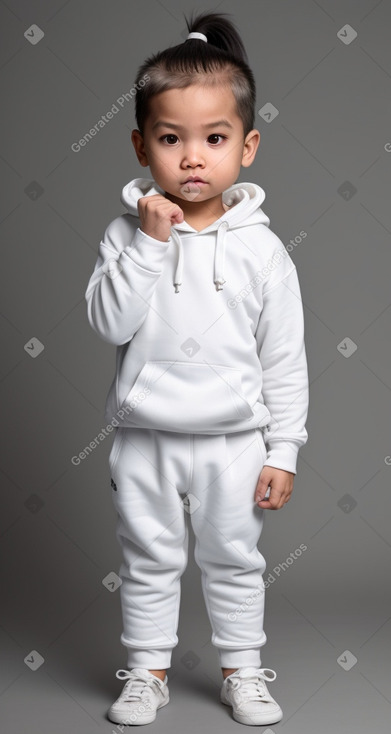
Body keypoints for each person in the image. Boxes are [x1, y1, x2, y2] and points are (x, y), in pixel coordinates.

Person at [85, 9, 309, 727]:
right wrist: (149, 248)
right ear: (140, 144)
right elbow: (107, 324)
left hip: (233, 441)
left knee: (234, 561)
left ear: (246, 147)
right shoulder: (124, 236)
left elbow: (284, 357)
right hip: (145, 436)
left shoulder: (263, 251)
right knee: (149, 561)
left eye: (213, 140)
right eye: (170, 138)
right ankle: (145, 672)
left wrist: (284, 450)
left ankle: (241, 672)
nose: (191, 158)